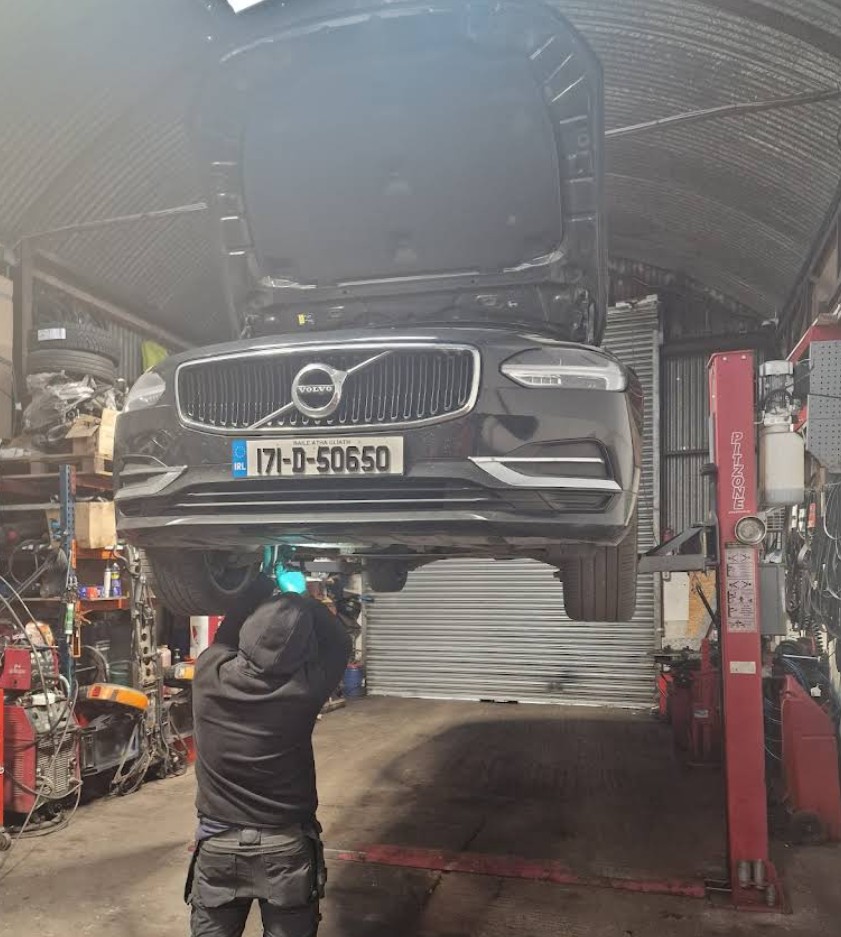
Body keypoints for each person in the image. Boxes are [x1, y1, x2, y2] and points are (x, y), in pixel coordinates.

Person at [186, 571, 353, 937]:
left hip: (218, 843)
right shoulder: (305, 688)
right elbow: (340, 643)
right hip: (285, 847)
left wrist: (258, 584)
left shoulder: (209, 673)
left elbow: (225, 633)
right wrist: (304, 600)